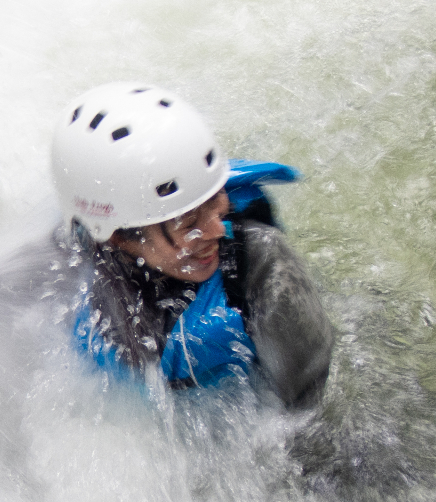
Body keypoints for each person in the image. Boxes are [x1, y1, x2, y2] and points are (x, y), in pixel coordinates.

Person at [52, 81, 333, 406]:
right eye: (188, 223)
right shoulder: (71, 264)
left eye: (216, 200)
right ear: (119, 237)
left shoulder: (259, 268)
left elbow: (313, 415)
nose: (216, 229)